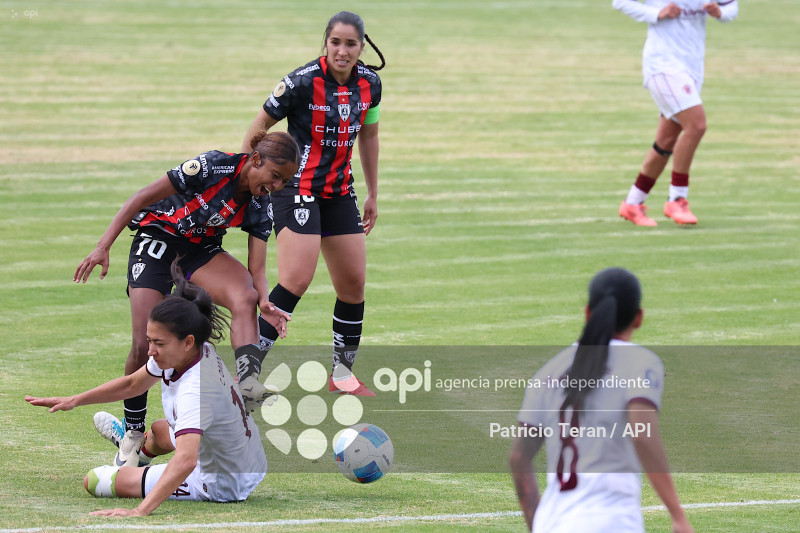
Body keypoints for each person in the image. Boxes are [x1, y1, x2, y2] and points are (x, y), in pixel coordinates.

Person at [73, 131, 300, 466]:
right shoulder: (212, 167)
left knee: (245, 295)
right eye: (276, 176)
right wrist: (103, 245)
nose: (277, 186)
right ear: (255, 160)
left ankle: (247, 382)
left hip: (198, 249)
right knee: (144, 342)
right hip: (157, 240)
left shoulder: (259, 203)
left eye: (285, 181)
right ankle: (133, 435)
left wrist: (264, 300)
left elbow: (258, 268)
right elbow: (140, 197)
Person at [26, 263, 267, 516]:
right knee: (160, 430)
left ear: (187, 342)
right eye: (150, 340)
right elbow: (133, 384)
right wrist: (74, 400)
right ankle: (137, 454)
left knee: (96, 480)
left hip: (221, 482)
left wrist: (139, 511)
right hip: (249, 456)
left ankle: (133, 465)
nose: (150, 350)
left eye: (158, 343)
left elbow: (186, 460)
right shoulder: (195, 350)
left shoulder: (194, 392)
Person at [239, 11, 385, 396]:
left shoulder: (371, 84)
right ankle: (243, 377)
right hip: (296, 189)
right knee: (295, 280)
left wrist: (372, 191)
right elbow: (258, 129)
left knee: (353, 284)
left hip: (339, 191)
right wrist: (250, 182)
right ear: (326, 42)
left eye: (350, 43)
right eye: (335, 42)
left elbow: (368, 136)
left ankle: (342, 375)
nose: (342, 50)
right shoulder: (300, 82)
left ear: (361, 47)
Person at [509, 268, 693, 532]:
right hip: (609, 521)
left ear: (587, 312)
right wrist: (677, 515)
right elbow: (642, 434)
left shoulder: (549, 371)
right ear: (638, 318)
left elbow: (518, 457)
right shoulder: (640, 362)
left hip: (551, 523)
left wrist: (538, 523)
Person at [615, 0, 739, 226]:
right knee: (697, 126)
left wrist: (719, 12)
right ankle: (677, 198)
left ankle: (632, 203)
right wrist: (657, 13)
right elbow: (620, 2)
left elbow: (732, 8)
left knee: (666, 140)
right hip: (662, 65)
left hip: (692, 67)